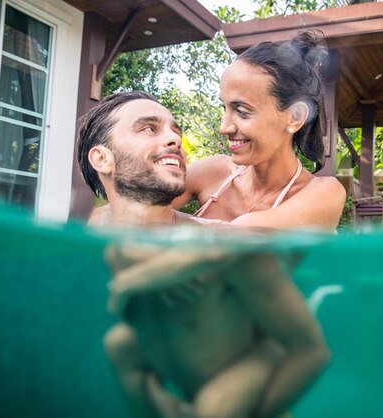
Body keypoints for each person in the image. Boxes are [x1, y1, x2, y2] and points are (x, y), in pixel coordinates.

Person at [77, 90, 330, 418]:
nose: (174, 139)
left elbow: (308, 351)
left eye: (175, 130)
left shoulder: (227, 247)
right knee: (119, 344)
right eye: (149, 128)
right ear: (102, 159)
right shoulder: (89, 236)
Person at [172, 31, 346, 230]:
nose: (223, 127)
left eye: (242, 111)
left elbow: (235, 238)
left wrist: (174, 219)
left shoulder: (324, 193)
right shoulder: (212, 172)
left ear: (295, 117)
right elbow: (138, 210)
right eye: (225, 108)